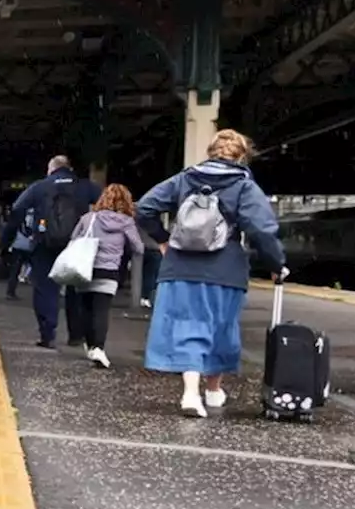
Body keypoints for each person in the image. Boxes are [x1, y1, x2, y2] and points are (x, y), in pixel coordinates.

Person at [136, 129, 286, 418]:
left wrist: (163, 239)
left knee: (187, 326)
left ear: (211, 152)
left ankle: (192, 391)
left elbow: (145, 208)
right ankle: (211, 391)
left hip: (179, 266)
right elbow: (262, 230)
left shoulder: (184, 179)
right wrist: (276, 265)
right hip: (224, 268)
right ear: (242, 156)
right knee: (220, 327)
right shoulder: (244, 186)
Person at [0, 155, 102, 349]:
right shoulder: (84, 186)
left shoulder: (40, 187)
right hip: (76, 243)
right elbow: (107, 204)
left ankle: (48, 335)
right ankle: (76, 335)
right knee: (76, 288)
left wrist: (5, 242)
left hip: (44, 244)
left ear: (50, 169)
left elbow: (17, 210)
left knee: (45, 288)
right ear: (69, 168)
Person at [67, 184, 144, 369]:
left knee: (85, 308)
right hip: (108, 270)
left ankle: (90, 345)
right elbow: (138, 247)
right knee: (101, 309)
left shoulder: (88, 218)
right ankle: (98, 348)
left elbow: (73, 238)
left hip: (84, 267)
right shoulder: (126, 222)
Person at [6, 207, 35, 300]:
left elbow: (11, 229)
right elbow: (41, 228)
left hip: (17, 244)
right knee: (38, 269)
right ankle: (42, 294)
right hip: (31, 246)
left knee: (15, 270)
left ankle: (10, 292)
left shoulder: (19, 215)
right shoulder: (39, 214)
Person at [139, 227, 163, 309]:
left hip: (141, 248)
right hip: (155, 249)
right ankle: (148, 297)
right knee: (152, 275)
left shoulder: (137, 222)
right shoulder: (155, 225)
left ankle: (144, 296)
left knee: (144, 274)